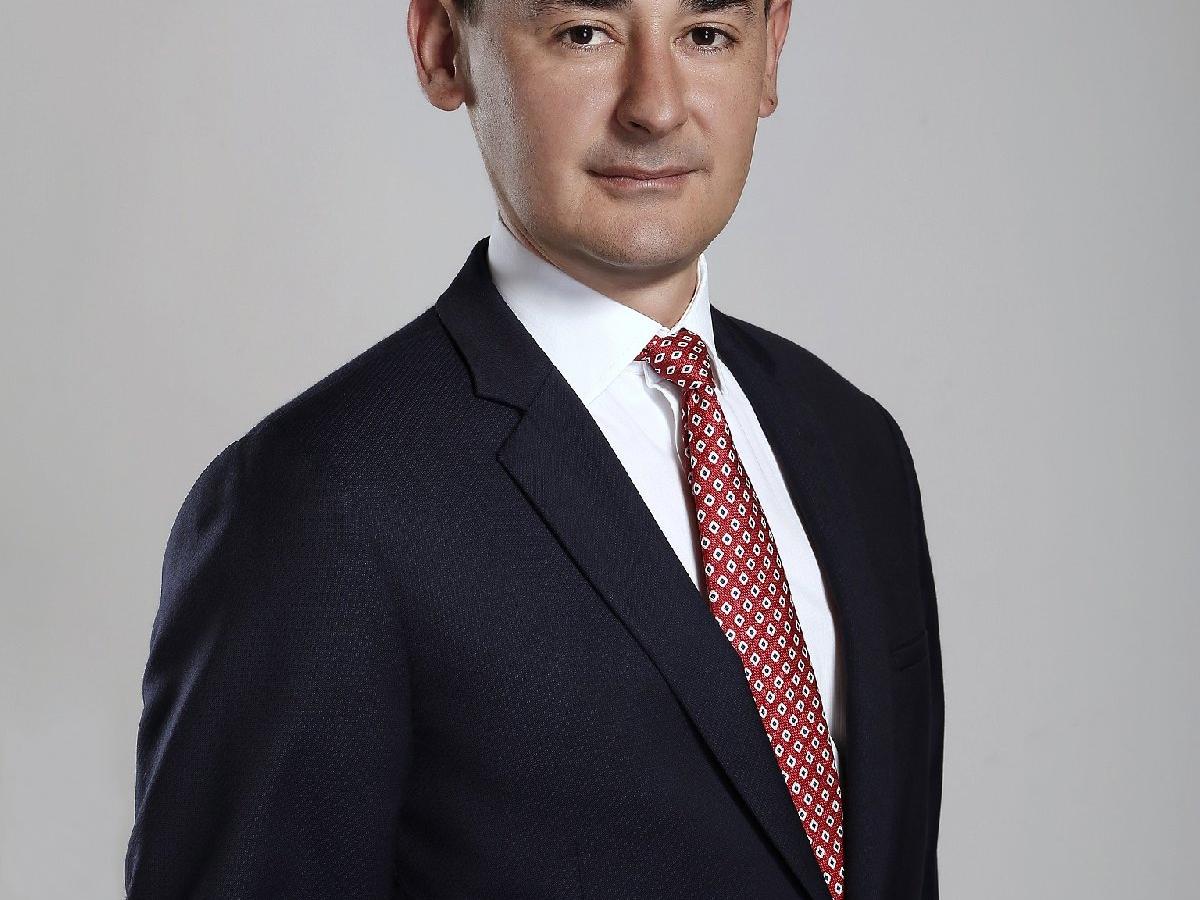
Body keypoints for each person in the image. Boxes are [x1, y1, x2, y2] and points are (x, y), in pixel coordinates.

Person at [124, 0, 944, 897]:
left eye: (706, 35)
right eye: (584, 34)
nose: (656, 106)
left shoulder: (855, 444)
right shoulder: (317, 501)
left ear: (772, 52)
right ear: (444, 49)